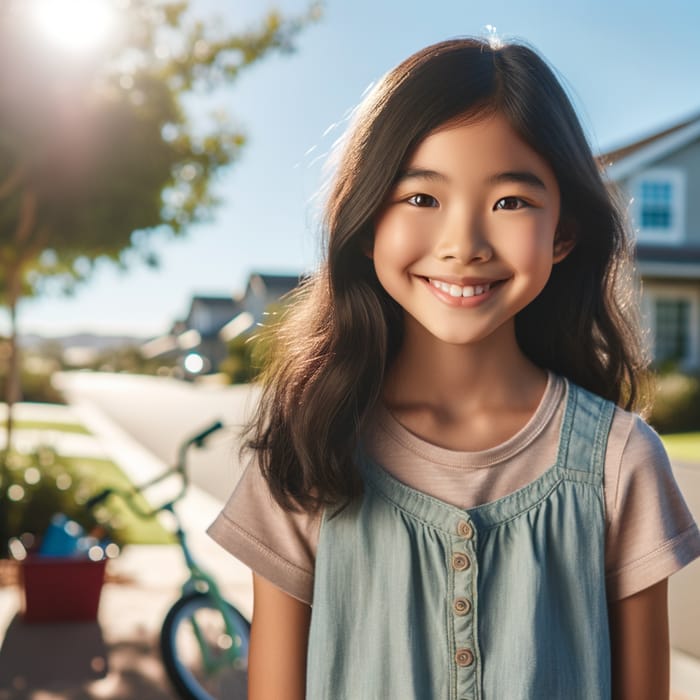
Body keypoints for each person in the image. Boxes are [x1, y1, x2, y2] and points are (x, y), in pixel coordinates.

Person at [208, 37, 700, 699]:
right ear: (367, 218)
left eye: (510, 202)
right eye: (420, 198)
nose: (462, 245)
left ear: (563, 233)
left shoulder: (620, 463)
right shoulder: (308, 448)